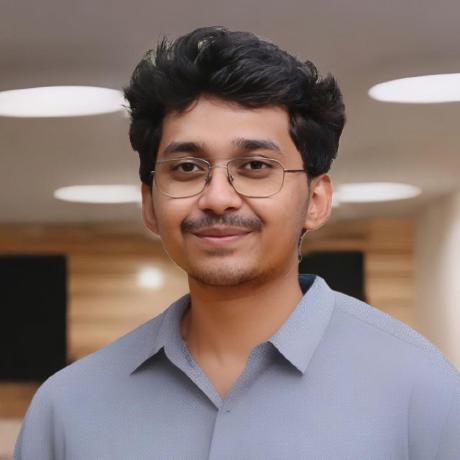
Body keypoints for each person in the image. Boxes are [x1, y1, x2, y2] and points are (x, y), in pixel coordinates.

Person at [14, 26, 459, 459]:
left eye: (255, 166)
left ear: (316, 200)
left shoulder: (420, 390)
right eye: (187, 168)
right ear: (149, 203)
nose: (217, 198)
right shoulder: (67, 410)